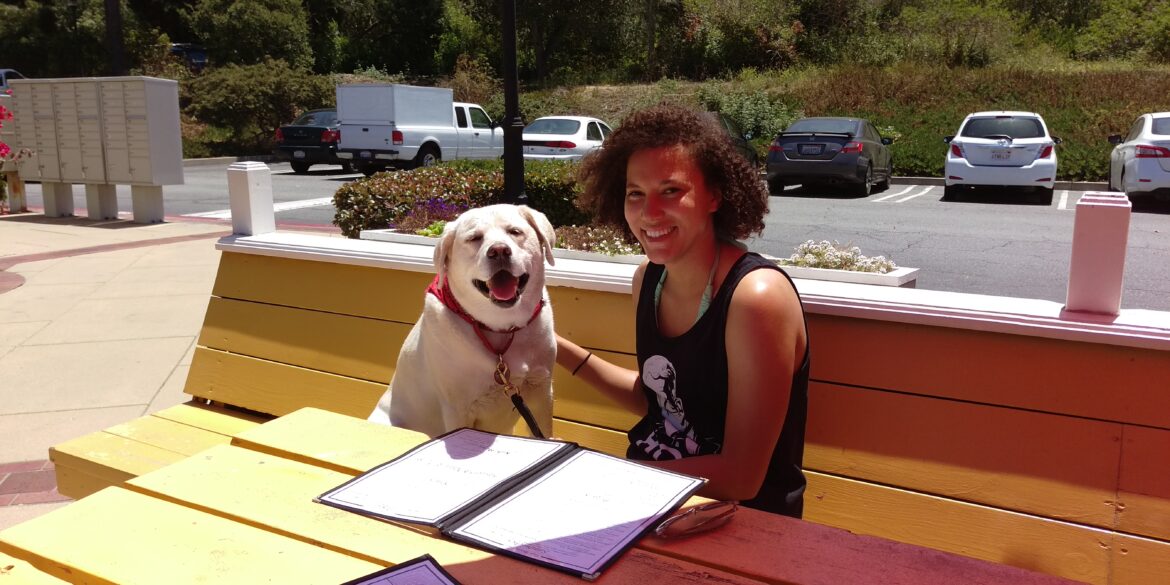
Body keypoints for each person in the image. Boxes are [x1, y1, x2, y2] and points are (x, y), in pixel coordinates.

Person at [556, 104, 810, 518]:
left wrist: (613, 480)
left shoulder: (755, 297)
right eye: (635, 194)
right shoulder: (649, 280)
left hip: (740, 524)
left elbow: (742, 477)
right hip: (652, 506)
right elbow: (662, 403)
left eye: (670, 191)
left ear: (714, 194)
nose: (649, 213)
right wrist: (551, 346)